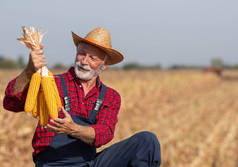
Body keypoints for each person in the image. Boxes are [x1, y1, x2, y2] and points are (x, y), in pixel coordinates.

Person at [3, 27, 161, 167]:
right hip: (53, 164)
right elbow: (11, 101)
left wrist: (74, 129)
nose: (84, 61)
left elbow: (104, 133)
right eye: (81, 54)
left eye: (93, 58)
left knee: (147, 141)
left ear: (103, 65)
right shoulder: (52, 83)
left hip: (89, 163)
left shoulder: (110, 96)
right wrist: (29, 70)